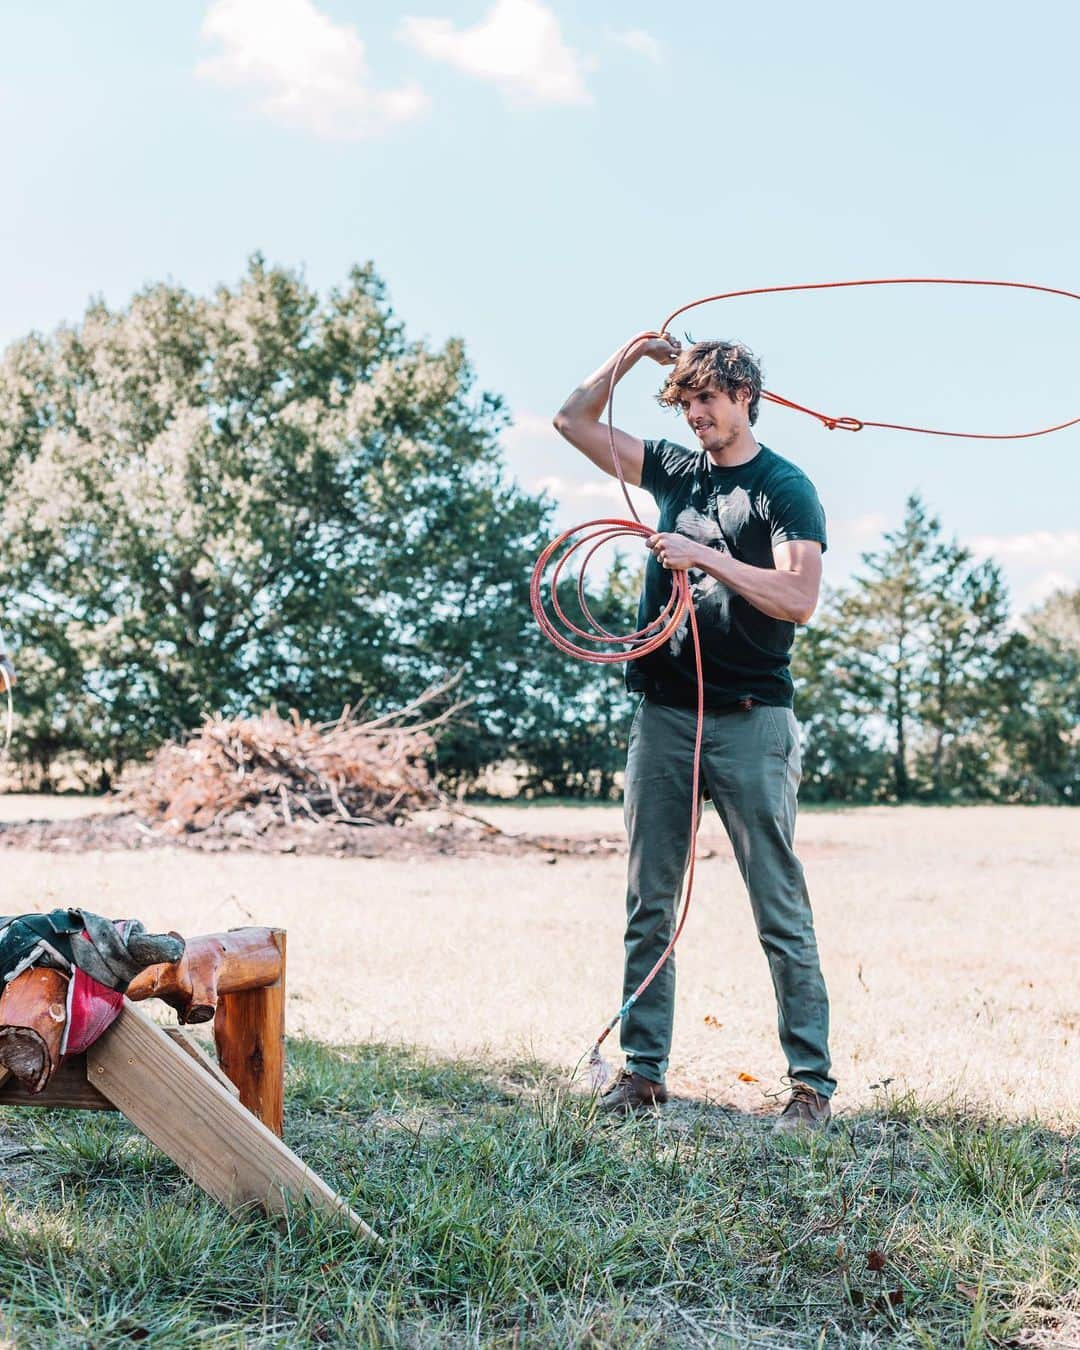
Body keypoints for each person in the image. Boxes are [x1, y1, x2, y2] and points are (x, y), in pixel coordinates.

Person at [553, 334, 835, 1132]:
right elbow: (571, 421)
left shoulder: (786, 488)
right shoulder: (675, 470)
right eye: (684, 403)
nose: (695, 414)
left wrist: (704, 558)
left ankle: (810, 1086)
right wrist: (634, 353)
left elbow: (799, 596)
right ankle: (643, 1074)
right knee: (650, 901)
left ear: (746, 395)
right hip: (664, 716)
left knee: (778, 905)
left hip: (753, 721)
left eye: (706, 399)